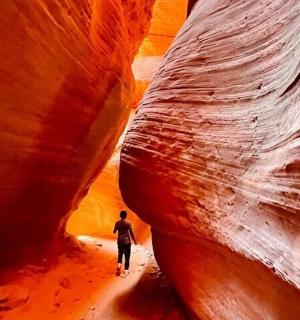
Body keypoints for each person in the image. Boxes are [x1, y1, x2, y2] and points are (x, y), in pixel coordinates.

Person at [113, 210, 137, 276]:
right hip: (127, 242)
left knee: (120, 254)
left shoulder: (117, 223)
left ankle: (118, 266)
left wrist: (117, 229)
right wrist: (134, 240)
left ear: (120, 215)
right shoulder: (128, 223)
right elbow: (131, 232)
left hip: (120, 241)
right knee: (127, 256)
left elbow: (114, 231)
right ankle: (126, 271)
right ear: (126, 216)